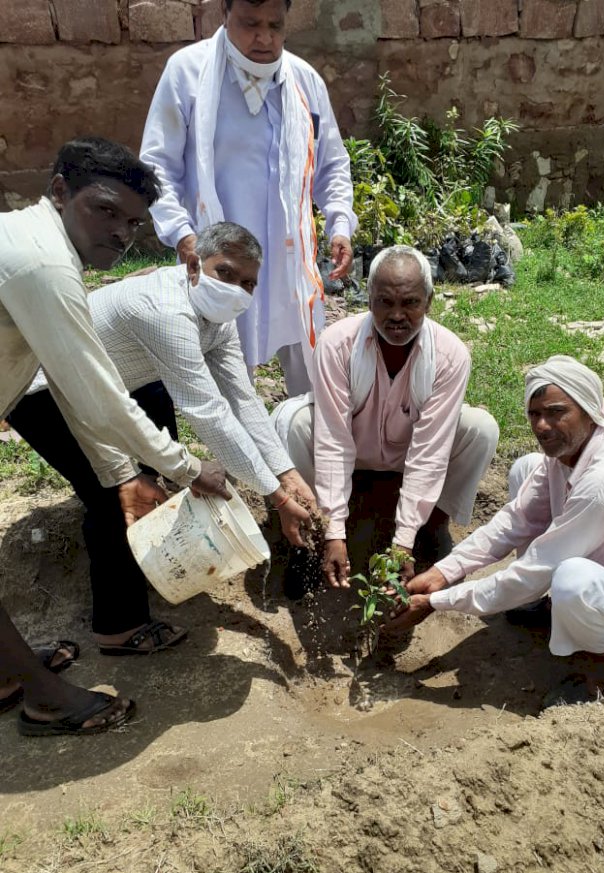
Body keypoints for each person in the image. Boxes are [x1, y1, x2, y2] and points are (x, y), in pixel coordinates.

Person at [0, 136, 229, 736]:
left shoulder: (42, 249)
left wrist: (123, 474)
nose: (122, 231)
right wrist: (184, 469)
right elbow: (97, 394)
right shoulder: (43, 264)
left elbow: (76, 387)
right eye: (105, 210)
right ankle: (43, 697)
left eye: (133, 221)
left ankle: (5, 671)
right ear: (59, 192)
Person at [9, 221, 317, 653]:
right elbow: (207, 411)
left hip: (124, 382)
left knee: (154, 474)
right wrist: (276, 496)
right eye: (225, 273)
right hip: (45, 392)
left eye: (248, 283)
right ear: (194, 265)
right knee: (115, 489)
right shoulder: (163, 310)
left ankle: (146, 563)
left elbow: (242, 400)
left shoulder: (218, 319)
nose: (237, 289)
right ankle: (118, 626)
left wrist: (284, 472)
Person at [388, 355, 604, 703]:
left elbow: (540, 566)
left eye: (557, 412)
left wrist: (436, 602)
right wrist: (444, 571)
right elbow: (515, 520)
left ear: (589, 410)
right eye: (535, 414)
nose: (543, 426)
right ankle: (540, 606)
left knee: (571, 578)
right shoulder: (566, 456)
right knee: (525, 468)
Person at [140, 0, 357, 394]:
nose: (265, 38)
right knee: (232, 381)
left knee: (312, 381)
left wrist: (339, 223)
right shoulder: (189, 74)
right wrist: (183, 234)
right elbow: (157, 167)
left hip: (289, 260)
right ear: (224, 13)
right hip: (221, 259)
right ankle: (241, 454)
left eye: (275, 25)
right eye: (250, 24)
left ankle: (308, 448)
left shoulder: (303, 82)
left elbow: (332, 164)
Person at [273, 246, 500, 589]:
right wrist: (336, 531)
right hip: (353, 445)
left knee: (480, 429)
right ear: (369, 300)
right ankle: (310, 538)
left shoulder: (450, 355)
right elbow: (333, 437)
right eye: (385, 302)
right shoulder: (338, 345)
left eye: (410, 303)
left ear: (429, 301)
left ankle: (433, 525)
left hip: (408, 452)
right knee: (295, 423)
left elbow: (430, 450)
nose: (397, 315)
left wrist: (404, 540)